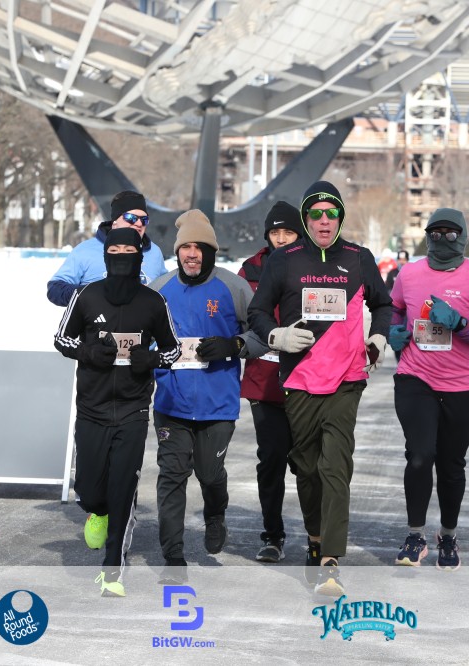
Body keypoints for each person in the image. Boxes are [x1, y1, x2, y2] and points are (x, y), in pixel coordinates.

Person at [248, 180, 391, 597]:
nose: (324, 220)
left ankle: (330, 561)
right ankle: (314, 537)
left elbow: (384, 304)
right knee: (307, 469)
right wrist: (276, 336)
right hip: (299, 380)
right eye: (316, 214)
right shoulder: (285, 259)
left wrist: (378, 338)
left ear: (340, 218)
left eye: (331, 213)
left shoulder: (359, 258)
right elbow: (258, 311)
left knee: (335, 468)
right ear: (306, 218)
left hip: (347, 378)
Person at [53, 227, 181, 598]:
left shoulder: (153, 301)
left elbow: (173, 350)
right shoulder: (86, 295)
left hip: (133, 409)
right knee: (90, 490)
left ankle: (113, 570)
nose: (122, 255)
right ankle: (98, 510)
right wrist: (88, 352)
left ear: (140, 255)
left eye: (129, 249)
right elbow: (61, 339)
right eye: (115, 249)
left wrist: (151, 359)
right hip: (91, 408)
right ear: (106, 254)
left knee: (123, 488)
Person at [149, 210, 269, 582]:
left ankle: (215, 515)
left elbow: (262, 334)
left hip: (217, 404)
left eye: (199, 247)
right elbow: (141, 337)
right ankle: (173, 558)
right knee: (172, 475)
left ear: (211, 252)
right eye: (185, 246)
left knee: (209, 473)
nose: (192, 254)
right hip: (171, 402)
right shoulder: (159, 289)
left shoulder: (234, 287)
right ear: (177, 251)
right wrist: (150, 356)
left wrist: (233, 345)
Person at [386, 207, 469, 570]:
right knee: (419, 456)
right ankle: (415, 535)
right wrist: (393, 331)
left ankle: (447, 535)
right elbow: (393, 309)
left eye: (450, 234)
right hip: (415, 378)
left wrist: (460, 323)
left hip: (461, 386)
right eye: (435, 234)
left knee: (451, 465)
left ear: (462, 237)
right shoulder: (409, 273)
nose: (442, 240)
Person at [238, 201, 302, 563]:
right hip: (264, 380)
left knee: (307, 461)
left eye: (288, 232)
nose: (280, 238)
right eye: (275, 232)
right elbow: (237, 319)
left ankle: (317, 536)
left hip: (307, 379)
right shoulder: (249, 270)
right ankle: (272, 534)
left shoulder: (313, 266)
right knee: (272, 457)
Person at [47, 190, 167, 306]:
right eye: (131, 218)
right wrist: (94, 294)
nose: (139, 223)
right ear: (115, 222)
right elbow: (55, 289)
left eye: (144, 219)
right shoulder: (85, 250)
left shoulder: (154, 252)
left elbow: (167, 290)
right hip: (96, 319)